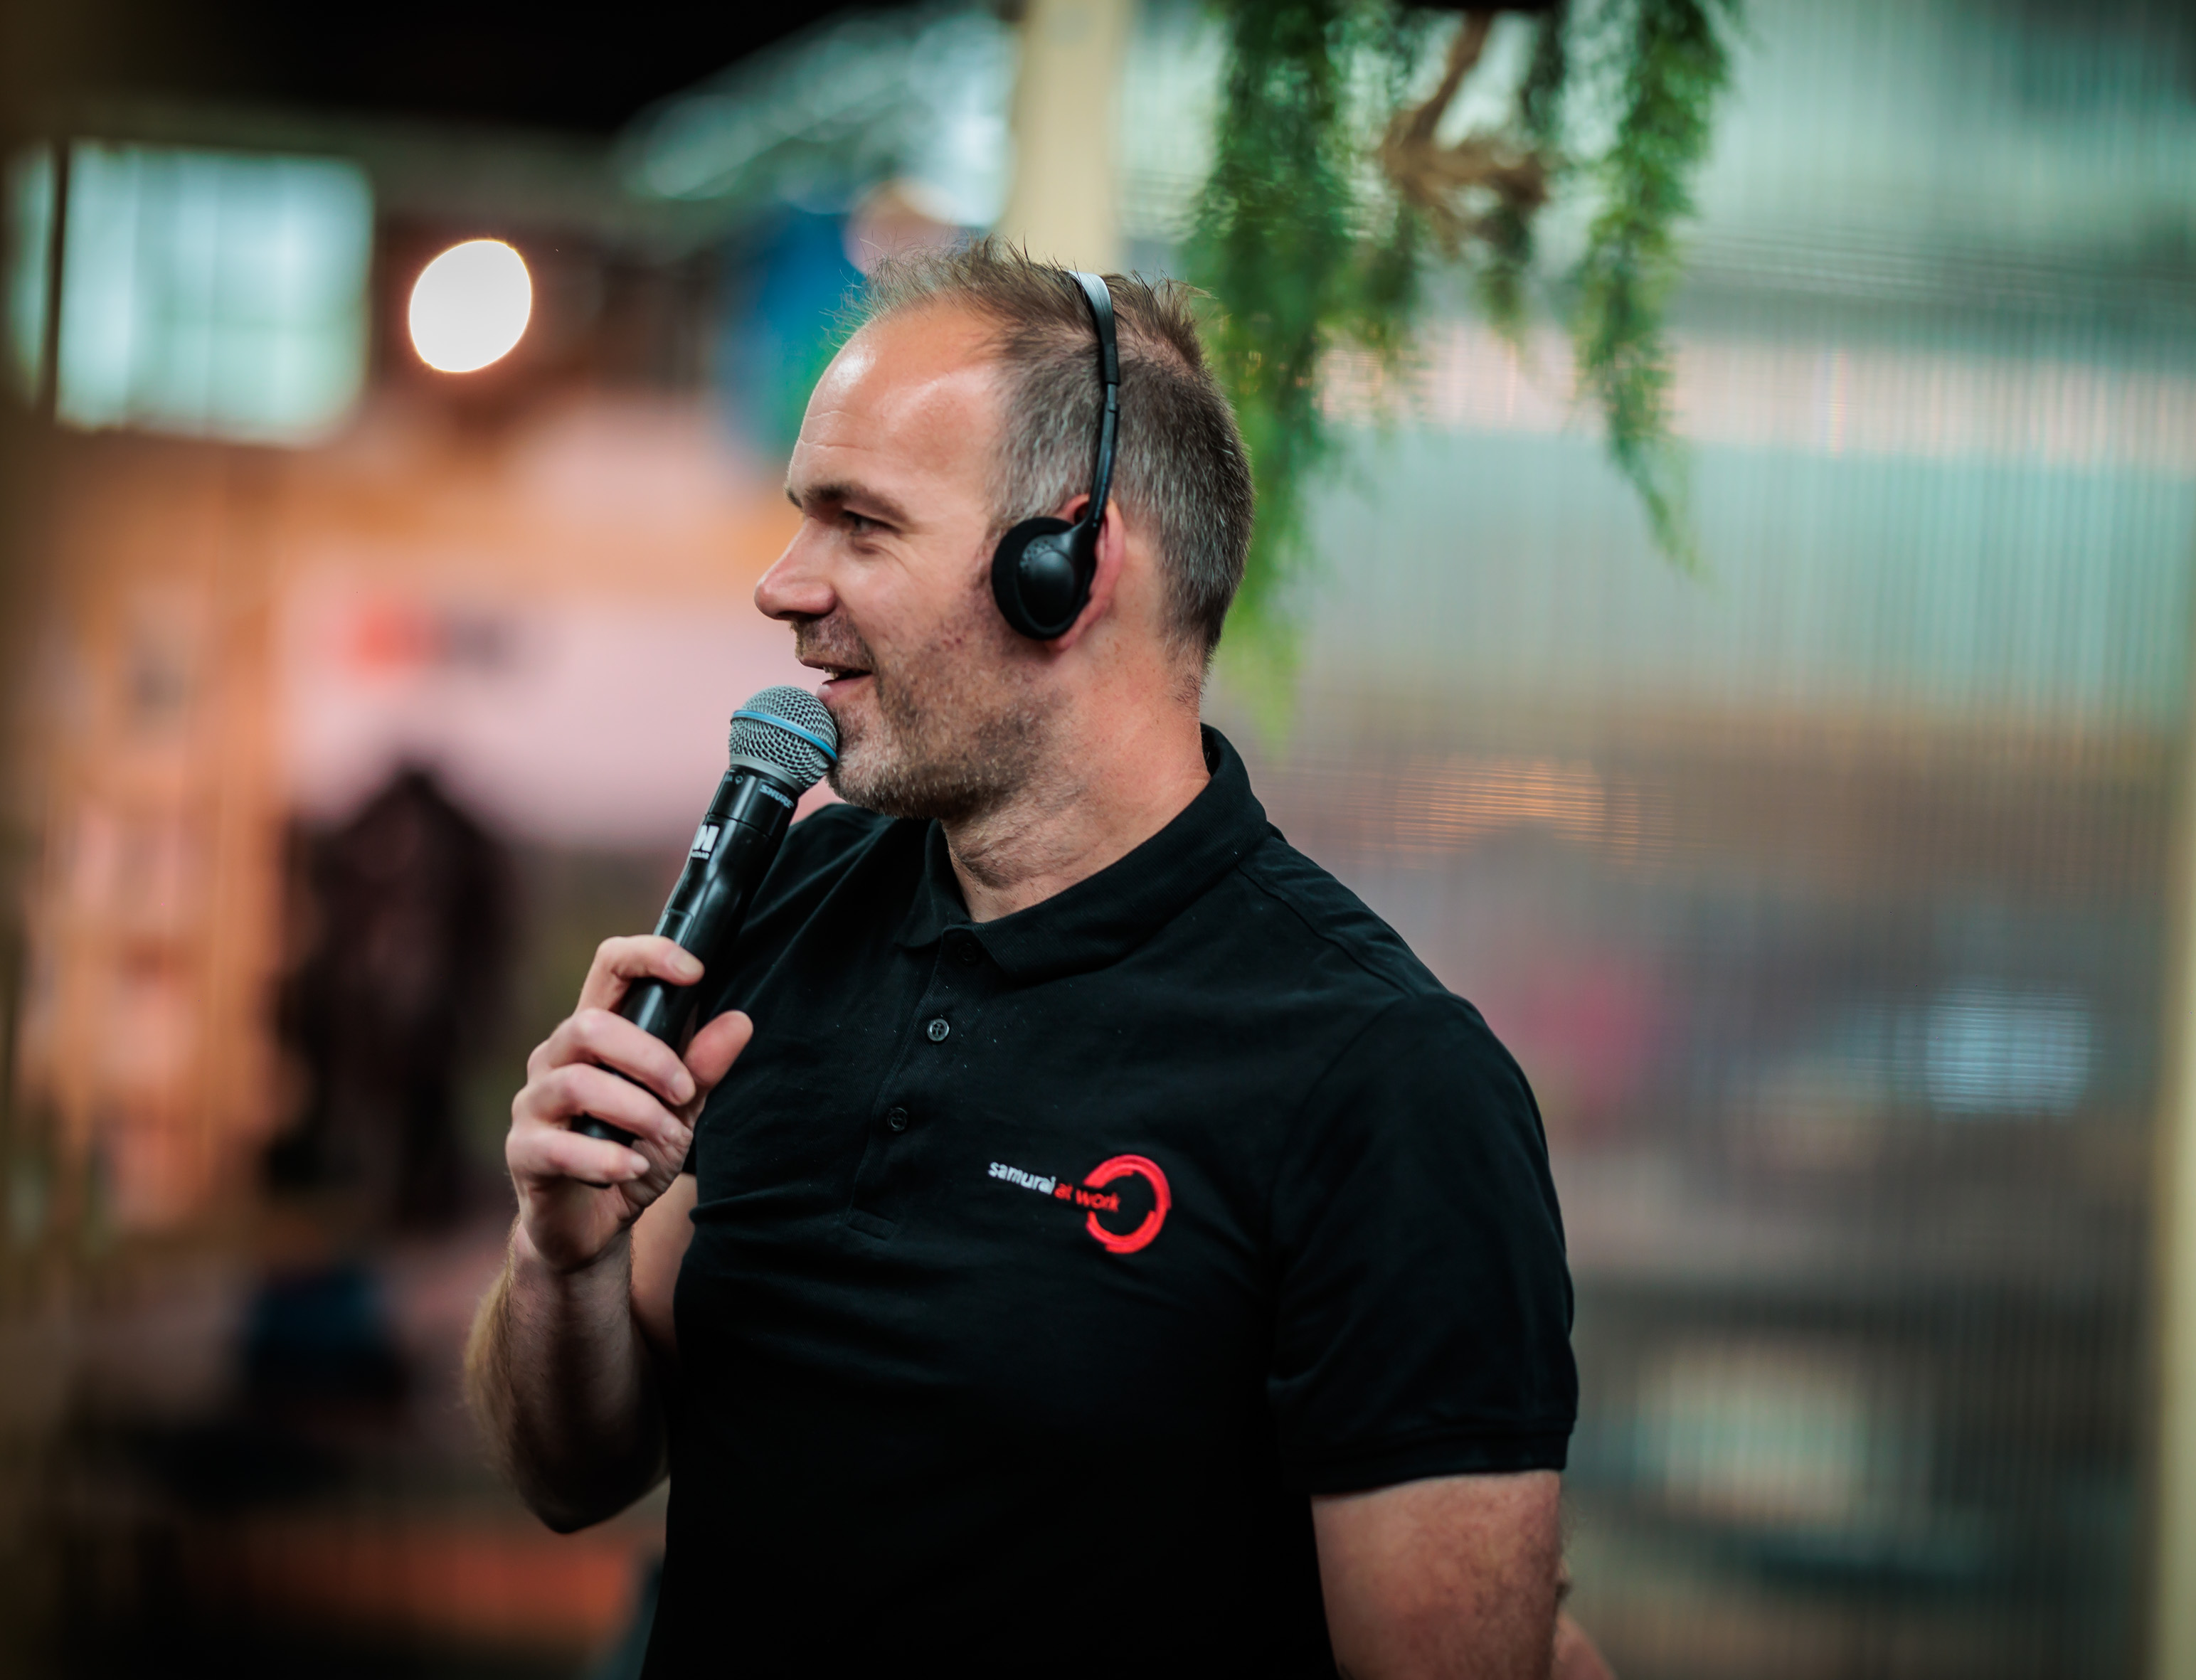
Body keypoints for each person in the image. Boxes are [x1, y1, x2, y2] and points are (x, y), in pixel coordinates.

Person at [466, 243, 1597, 1678]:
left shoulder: (1382, 1080)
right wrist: (561, 1254)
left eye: (860, 524)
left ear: (1065, 566)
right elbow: (570, 1473)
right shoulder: (793, 900)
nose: (781, 584)